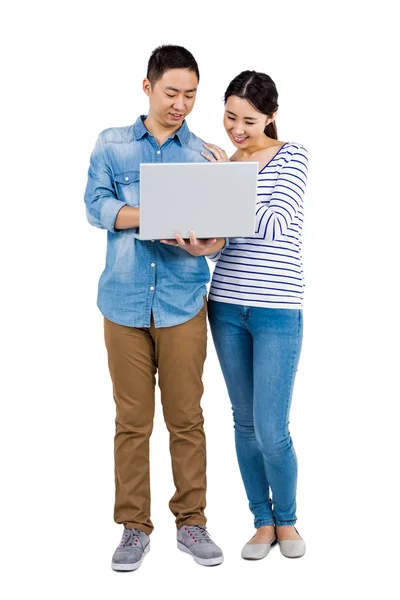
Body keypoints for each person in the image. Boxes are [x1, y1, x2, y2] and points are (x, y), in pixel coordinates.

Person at [84, 45, 225, 571]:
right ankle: (133, 528)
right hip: (122, 302)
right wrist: (150, 214)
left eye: (190, 95)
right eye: (171, 93)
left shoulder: (204, 155)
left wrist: (202, 245)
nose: (181, 104)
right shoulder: (113, 144)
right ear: (148, 88)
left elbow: (220, 237)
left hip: (183, 300)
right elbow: (95, 205)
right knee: (132, 421)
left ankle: (192, 523)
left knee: (187, 418)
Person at [167, 70, 309, 560]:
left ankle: (287, 520)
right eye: (229, 117)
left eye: (248, 120)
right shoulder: (223, 161)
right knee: (244, 424)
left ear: (271, 117)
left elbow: (272, 224)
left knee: (273, 428)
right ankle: (262, 521)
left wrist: (226, 180)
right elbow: (222, 245)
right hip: (225, 306)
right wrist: (200, 243)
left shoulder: (292, 156)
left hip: (275, 311)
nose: (237, 130)